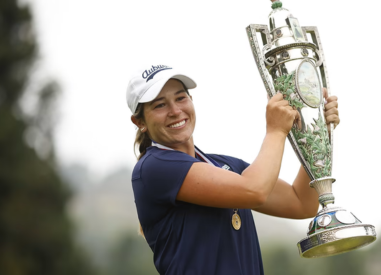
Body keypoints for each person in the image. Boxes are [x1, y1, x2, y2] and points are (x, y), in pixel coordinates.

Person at [126, 64, 340, 275]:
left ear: (191, 101)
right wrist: (276, 130)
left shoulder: (225, 166)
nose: (175, 111)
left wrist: (318, 132)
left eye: (181, 98)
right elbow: (254, 190)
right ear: (139, 122)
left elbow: (302, 203)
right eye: (159, 105)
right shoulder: (153, 167)